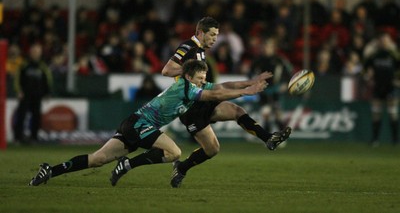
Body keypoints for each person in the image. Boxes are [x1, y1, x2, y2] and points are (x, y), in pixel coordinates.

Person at [29, 60, 271, 186]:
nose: (203, 81)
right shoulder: (185, 88)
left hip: (133, 123)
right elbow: (214, 96)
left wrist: (250, 81)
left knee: (97, 159)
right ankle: (128, 164)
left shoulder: (195, 84)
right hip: (140, 124)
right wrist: (249, 92)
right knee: (174, 152)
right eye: (199, 77)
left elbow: (223, 87)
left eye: (204, 78)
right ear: (188, 76)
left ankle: (51, 170)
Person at [162, 17, 292, 188]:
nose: (215, 39)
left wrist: (251, 81)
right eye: (212, 35)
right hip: (190, 107)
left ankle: (269, 138)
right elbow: (166, 70)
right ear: (201, 33)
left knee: (236, 111)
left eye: (217, 35)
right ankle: (182, 167)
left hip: (202, 99)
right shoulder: (188, 47)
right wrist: (188, 68)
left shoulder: (200, 51)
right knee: (212, 149)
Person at [363, 32, 400, 146]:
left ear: (389, 42)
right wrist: (368, 77)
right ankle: (375, 140)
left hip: (390, 87)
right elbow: (365, 68)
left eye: (386, 41)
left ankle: (395, 141)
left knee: (392, 113)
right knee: (376, 113)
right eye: (382, 41)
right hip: (378, 87)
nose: (384, 43)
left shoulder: (394, 55)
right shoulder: (374, 55)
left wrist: (397, 80)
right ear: (379, 42)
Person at [13, 43, 53, 144]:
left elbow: (48, 80)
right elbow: (17, 79)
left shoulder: (43, 66)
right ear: (30, 52)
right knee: (21, 116)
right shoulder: (24, 65)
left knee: (36, 117)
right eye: (34, 51)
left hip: (37, 95)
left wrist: (47, 92)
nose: (36, 54)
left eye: (38, 52)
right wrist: (18, 91)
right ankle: (18, 138)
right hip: (25, 95)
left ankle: (34, 137)